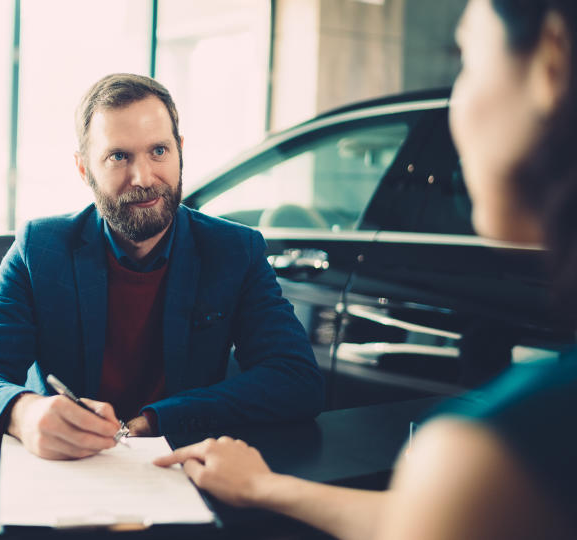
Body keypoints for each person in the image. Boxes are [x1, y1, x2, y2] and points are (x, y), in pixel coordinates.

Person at [155, 1, 577, 538]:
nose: (456, 107)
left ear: (552, 63)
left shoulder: (495, 457)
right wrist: (267, 487)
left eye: (466, 58)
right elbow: (419, 521)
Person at [0, 73, 325, 460]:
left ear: (180, 150)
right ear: (84, 170)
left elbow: (296, 380)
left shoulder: (234, 250)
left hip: (183, 466)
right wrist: (23, 414)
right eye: (118, 156)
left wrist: (157, 420)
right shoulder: (40, 249)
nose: (143, 177)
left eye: (159, 151)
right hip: (66, 469)